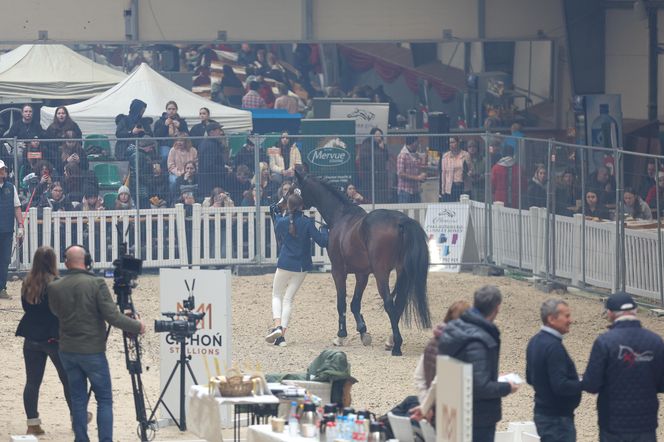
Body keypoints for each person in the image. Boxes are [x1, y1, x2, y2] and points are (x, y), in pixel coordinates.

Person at [48, 245, 145, 442]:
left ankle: (81, 438)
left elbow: (55, 312)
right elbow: (112, 317)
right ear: (88, 261)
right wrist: (137, 326)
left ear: (66, 262)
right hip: (92, 351)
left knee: (78, 399)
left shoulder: (55, 286)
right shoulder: (96, 283)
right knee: (104, 400)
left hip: (67, 349)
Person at [438, 285, 519, 442]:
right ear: (497, 308)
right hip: (476, 417)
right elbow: (481, 386)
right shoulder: (480, 340)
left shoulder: (453, 329)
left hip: (450, 409)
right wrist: (507, 387)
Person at [582, 292, 664, 442]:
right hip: (645, 424)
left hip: (613, 424)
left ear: (610, 313)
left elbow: (591, 385)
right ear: (636, 310)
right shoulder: (656, 341)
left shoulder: (604, 342)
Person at [15, 246, 73, 436]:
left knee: (32, 382)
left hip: (31, 335)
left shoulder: (27, 282)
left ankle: (33, 423)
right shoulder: (57, 283)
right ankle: (76, 417)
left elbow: (25, 307)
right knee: (68, 380)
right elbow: (63, 311)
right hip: (53, 337)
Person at [265, 193, 329, 347]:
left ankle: (277, 326)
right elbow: (322, 242)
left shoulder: (282, 222)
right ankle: (281, 336)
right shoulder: (307, 222)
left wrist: (276, 210)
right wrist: (325, 229)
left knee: (276, 295)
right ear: (302, 207)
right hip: (301, 267)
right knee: (288, 299)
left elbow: (277, 218)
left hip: (285, 263)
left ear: (288, 206)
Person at [525, 299, 581, 442]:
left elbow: (530, 378)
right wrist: (582, 383)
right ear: (551, 319)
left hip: (543, 413)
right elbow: (560, 385)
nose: (570, 320)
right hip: (558, 419)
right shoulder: (554, 347)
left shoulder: (534, 341)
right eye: (566, 316)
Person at [409, 300, 472, 422]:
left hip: (431, 410)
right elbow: (439, 382)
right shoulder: (458, 346)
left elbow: (418, 377)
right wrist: (425, 406)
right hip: (451, 411)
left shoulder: (432, 342)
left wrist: (425, 404)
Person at [0, 159, 24, 299]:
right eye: (0, 169)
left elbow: (17, 207)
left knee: (4, 260)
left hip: (7, 230)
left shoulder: (11, 187)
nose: (2, 171)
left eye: (3, 169)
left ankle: (2, 288)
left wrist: (20, 225)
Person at [358, 127, 390, 203]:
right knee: (371, 197)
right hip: (370, 177)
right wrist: (374, 170)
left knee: (381, 197)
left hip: (381, 178)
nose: (379, 137)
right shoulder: (366, 145)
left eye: (380, 135)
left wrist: (383, 149)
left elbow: (387, 158)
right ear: (372, 135)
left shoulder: (382, 146)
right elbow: (365, 161)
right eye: (377, 135)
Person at [197, 121, 227, 196]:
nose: (221, 133)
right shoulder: (211, 146)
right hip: (211, 183)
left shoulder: (205, 143)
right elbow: (209, 166)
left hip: (207, 183)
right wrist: (225, 170)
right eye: (218, 130)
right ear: (211, 132)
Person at [491, 144, 525, 209]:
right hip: (515, 198)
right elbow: (523, 185)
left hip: (499, 198)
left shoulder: (495, 168)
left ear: (503, 153)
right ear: (512, 154)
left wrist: (493, 192)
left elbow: (492, 184)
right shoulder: (519, 168)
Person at [440, 136, 471, 202]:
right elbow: (443, 173)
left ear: (458, 143)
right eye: (449, 143)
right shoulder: (445, 156)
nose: (450, 144)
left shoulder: (466, 155)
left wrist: (467, 174)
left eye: (452, 142)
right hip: (450, 186)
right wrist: (443, 189)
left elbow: (470, 169)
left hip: (462, 185)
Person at [396, 136, 426, 203]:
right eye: (417, 142)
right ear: (413, 143)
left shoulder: (415, 154)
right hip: (405, 191)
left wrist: (422, 176)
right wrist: (417, 178)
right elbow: (400, 173)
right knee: (404, 212)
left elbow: (418, 169)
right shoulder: (402, 155)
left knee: (417, 212)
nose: (418, 145)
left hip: (416, 190)